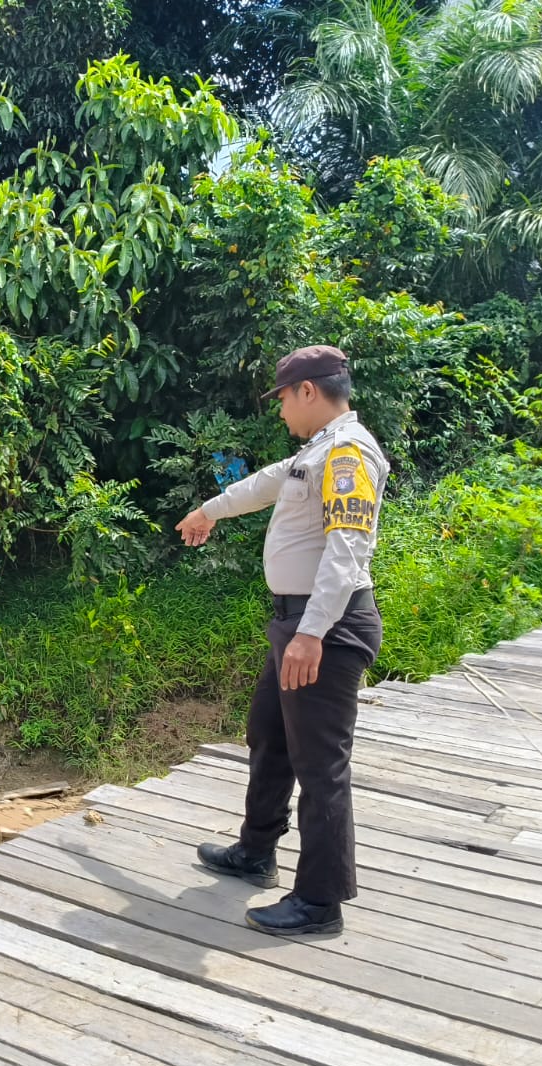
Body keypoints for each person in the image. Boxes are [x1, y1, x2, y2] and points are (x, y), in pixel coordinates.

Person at [174, 345, 388, 935]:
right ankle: (256, 851)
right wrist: (209, 510)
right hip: (298, 622)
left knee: (321, 766)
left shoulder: (348, 454)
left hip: (326, 627)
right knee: (268, 733)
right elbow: (267, 483)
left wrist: (312, 633)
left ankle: (320, 902)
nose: (280, 411)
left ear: (308, 391)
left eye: (283, 398)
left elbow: (347, 550)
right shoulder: (318, 450)